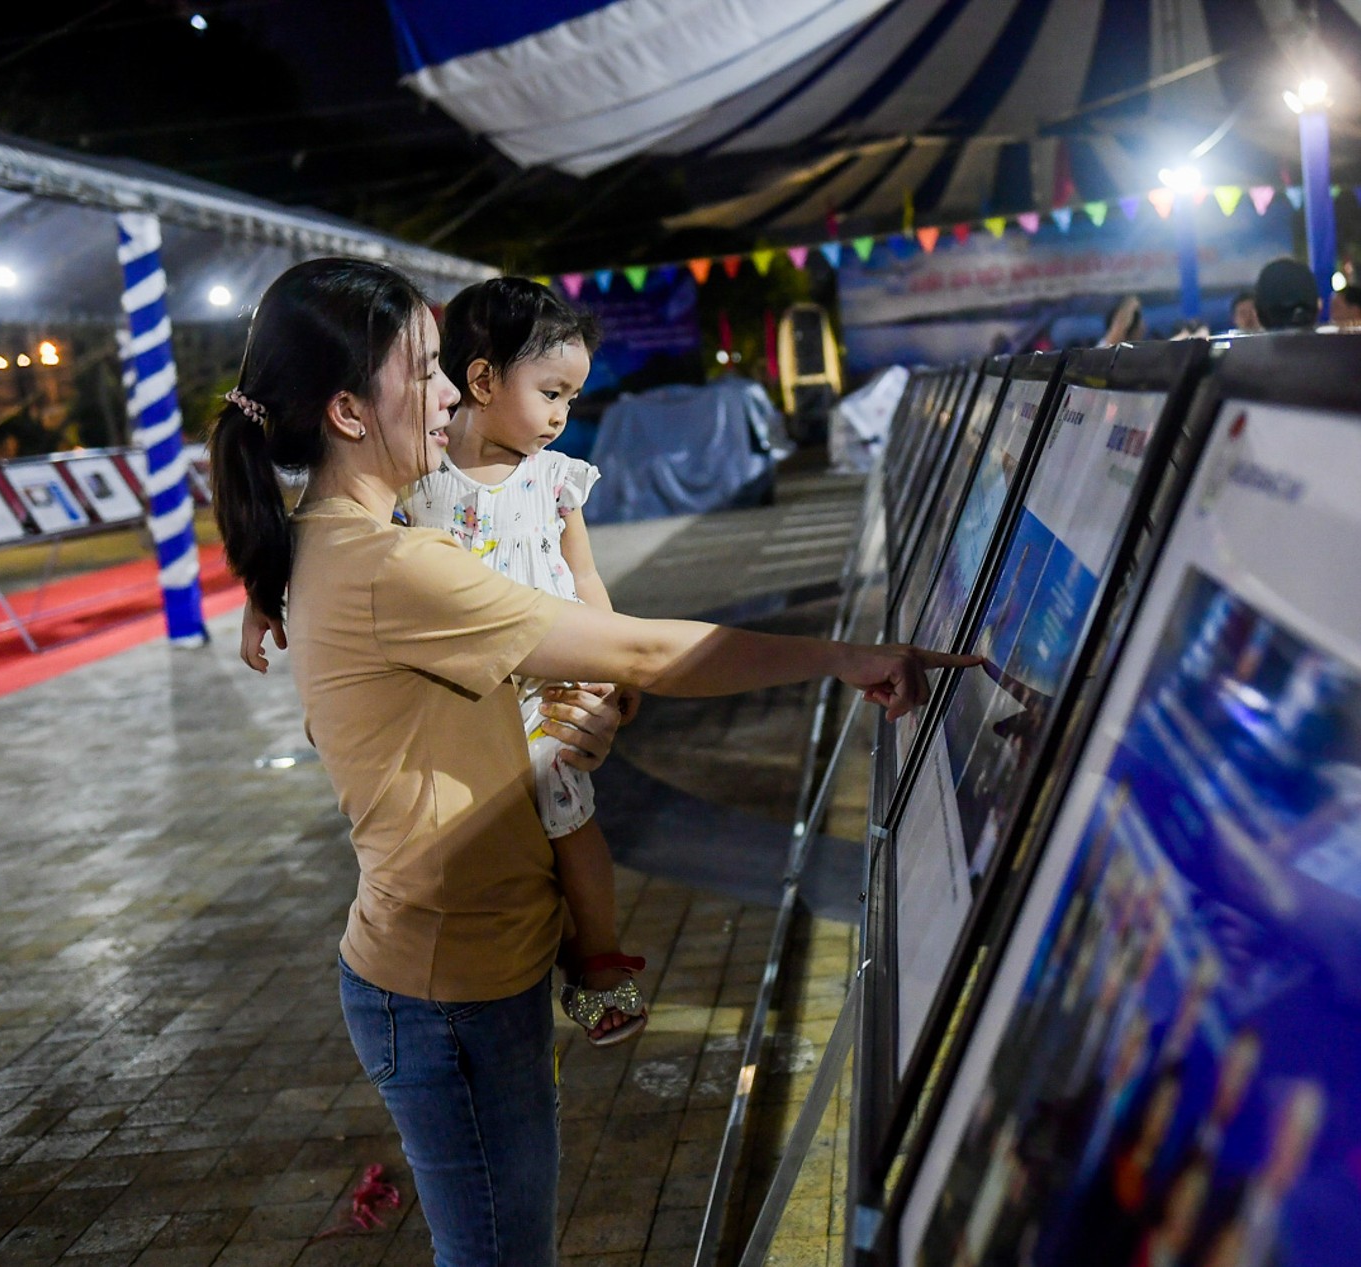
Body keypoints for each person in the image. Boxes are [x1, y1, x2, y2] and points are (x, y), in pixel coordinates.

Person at [215, 257, 971, 1267]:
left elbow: (562, 664)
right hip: (449, 989)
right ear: (349, 410)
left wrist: (592, 705)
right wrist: (845, 657)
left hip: (466, 968)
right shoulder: (392, 563)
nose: (448, 391)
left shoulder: (353, 543)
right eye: (428, 369)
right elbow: (643, 650)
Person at [406, 277, 644, 1047]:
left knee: (574, 829)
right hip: (459, 710)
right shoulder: (414, 479)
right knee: (485, 855)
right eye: (551, 392)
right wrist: (264, 598)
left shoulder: (556, 479)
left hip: (550, 695)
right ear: (480, 379)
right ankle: (505, 985)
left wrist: (617, 663)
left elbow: (585, 578)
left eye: (572, 398)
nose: (561, 415)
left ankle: (601, 963)